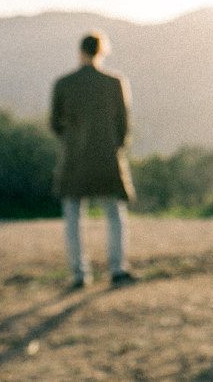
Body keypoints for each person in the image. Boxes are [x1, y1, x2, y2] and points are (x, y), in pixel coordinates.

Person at [49, 31, 136, 289]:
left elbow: (55, 123)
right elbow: (124, 124)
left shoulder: (64, 83)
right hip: (107, 156)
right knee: (115, 214)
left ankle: (79, 273)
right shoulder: (114, 82)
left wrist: (72, 140)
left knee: (73, 215)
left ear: (81, 52)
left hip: (74, 157)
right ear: (102, 51)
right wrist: (115, 146)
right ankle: (118, 269)